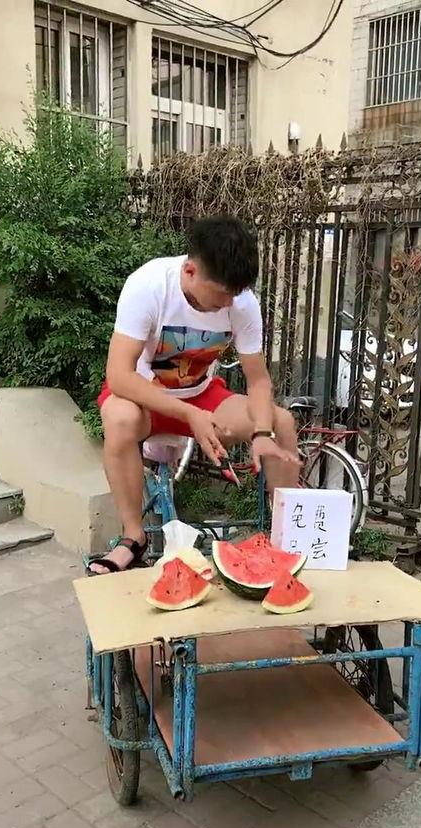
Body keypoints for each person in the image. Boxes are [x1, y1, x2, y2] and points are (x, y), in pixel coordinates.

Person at [88, 215, 300, 575]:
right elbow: (119, 376)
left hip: (201, 395)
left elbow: (258, 382)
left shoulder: (241, 302)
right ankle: (133, 537)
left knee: (282, 421)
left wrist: (263, 432)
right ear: (190, 271)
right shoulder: (148, 286)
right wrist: (188, 414)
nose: (227, 304)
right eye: (220, 294)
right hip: (145, 397)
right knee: (120, 418)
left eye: (233, 295)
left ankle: (287, 542)